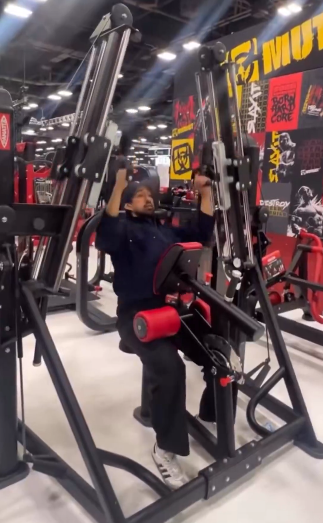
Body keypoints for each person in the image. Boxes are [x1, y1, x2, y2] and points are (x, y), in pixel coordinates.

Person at [96, 165, 215, 489]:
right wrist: (118, 185)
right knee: (170, 368)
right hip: (135, 316)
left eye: (150, 195)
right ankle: (165, 449)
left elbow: (202, 231)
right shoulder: (123, 230)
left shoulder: (165, 231)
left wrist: (205, 192)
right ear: (127, 203)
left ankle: (212, 414)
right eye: (140, 196)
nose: (148, 199)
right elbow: (105, 234)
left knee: (218, 347)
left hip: (171, 309)